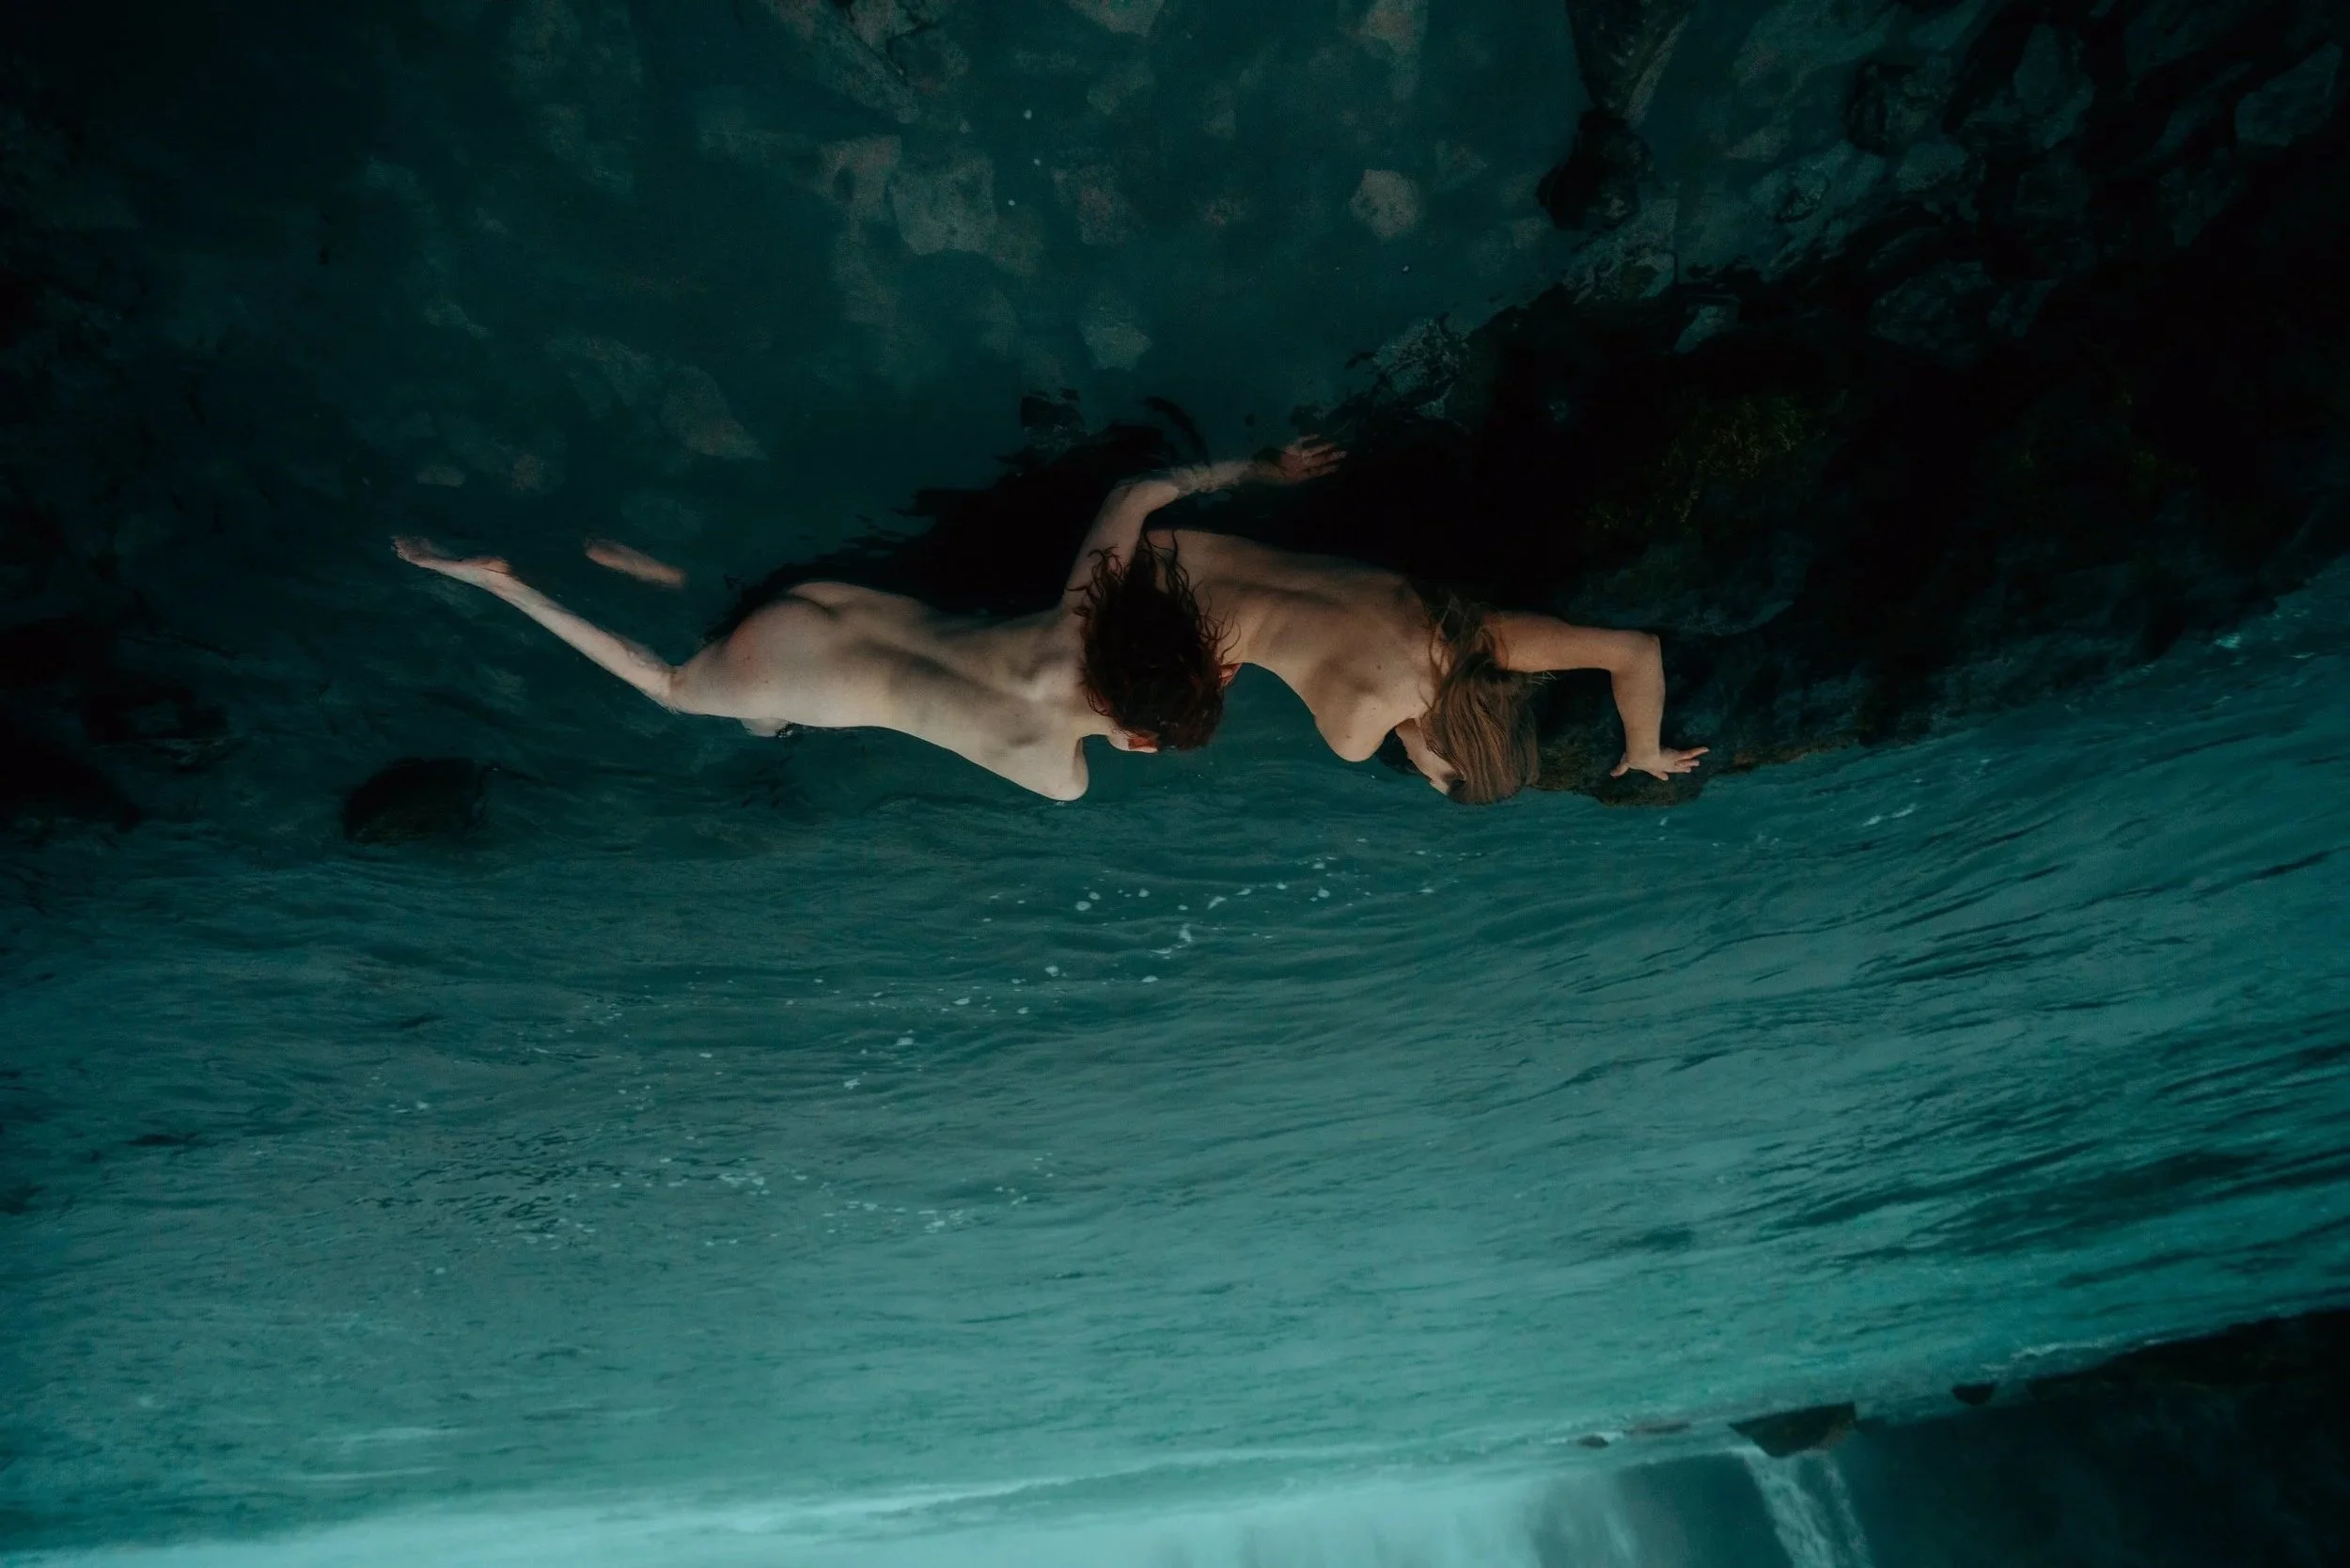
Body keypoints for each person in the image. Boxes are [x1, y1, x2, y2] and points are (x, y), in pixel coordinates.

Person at [387, 439, 1337, 800]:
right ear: (1135, 735)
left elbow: (1137, 491)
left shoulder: (1079, 626)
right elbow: (1108, 733)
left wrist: (1257, 469)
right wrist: (1138, 732)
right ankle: (501, 585)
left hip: (829, 598)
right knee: (672, 689)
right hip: (794, 675)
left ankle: (649, 565)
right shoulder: (1059, 777)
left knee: (744, 622)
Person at [1096, 444, 1709, 803]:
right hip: (1140, 609)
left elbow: (1637, 651)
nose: (1419, 773)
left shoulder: (1479, 638)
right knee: (1143, 733)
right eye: (1433, 778)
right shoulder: (1356, 738)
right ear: (1444, 755)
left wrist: (1645, 745)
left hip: (1178, 540)